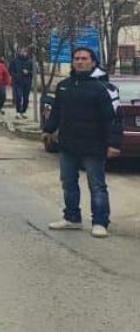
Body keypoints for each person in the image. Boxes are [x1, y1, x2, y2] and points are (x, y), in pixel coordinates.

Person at [42, 46, 121, 238]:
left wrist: (114, 143)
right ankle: (72, 218)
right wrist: (48, 131)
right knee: (68, 183)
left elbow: (113, 119)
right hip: (68, 144)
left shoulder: (103, 88)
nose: (79, 61)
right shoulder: (64, 85)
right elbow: (56, 111)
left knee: (97, 186)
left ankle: (100, 222)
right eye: (76, 58)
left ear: (93, 62)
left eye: (84, 58)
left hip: (94, 146)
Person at [8, 47, 35, 119]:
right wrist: (16, 76)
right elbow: (10, 70)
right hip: (18, 82)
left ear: (27, 53)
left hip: (27, 82)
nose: (23, 53)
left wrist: (28, 72)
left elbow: (34, 72)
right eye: (22, 52)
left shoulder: (30, 61)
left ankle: (24, 111)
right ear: (19, 53)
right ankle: (18, 111)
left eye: (25, 52)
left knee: (26, 98)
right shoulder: (15, 61)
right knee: (19, 97)